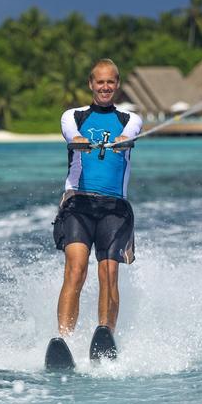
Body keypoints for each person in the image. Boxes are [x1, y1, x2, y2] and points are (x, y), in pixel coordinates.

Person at [51, 58, 142, 350]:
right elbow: (71, 134)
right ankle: (64, 341)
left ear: (117, 85)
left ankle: (105, 336)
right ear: (91, 84)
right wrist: (80, 141)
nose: (105, 87)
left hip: (114, 208)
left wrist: (122, 140)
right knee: (76, 269)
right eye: (100, 82)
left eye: (111, 82)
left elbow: (130, 134)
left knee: (109, 272)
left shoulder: (130, 119)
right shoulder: (73, 116)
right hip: (78, 204)